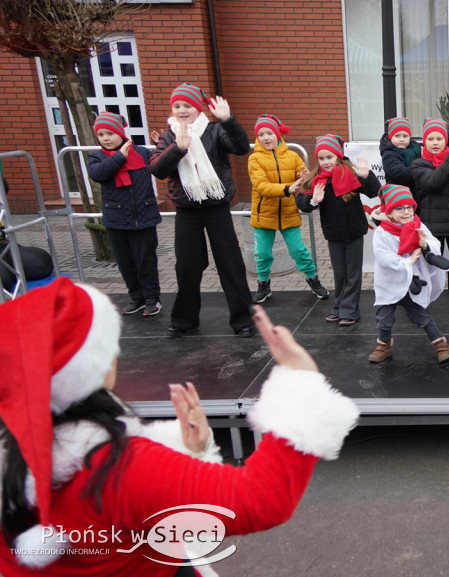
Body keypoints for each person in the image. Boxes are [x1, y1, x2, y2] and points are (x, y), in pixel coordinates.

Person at [0, 277, 359, 575]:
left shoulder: (18, 455)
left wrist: (193, 454)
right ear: (85, 367)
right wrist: (302, 382)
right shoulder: (120, 469)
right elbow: (261, 499)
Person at [149, 83, 255, 338]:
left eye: (187, 106)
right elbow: (157, 169)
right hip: (187, 211)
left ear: (198, 108)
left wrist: (228, 120)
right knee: (187, 266)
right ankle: (185, 320)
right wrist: (178, 148)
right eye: (177, 106)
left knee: (230, 264)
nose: (182, 110)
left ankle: (243, 320)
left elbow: (241, 148)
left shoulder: (215, 130)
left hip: (217, 208)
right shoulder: (168, 136)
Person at [294, 135, 380, 325]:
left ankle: (350, 310)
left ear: (338, 157)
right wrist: (314, 200)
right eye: (322, 158)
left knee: (353, 273)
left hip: (355, 232)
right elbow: (302, 203)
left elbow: (374, 191)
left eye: (329, 157)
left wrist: (367, 177)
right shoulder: (317, 179)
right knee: (340, 273)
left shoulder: (351, 173)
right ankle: (339, 306)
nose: (326, 162)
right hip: (333, 235)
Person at [248, 114, 329, 304]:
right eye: (261, 134)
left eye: (270, 133)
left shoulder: (293, 156)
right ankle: (263, 285)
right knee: (263, 253)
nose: (266, 137)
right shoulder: (255, 158)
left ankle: (313, 280)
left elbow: (306, 181)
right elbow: (260, 186)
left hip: (288, 211)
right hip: (263, 214)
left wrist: (305, 177)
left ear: (277, 134)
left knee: (298, 250)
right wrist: (287, 188)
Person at [87, 112, 162, 316]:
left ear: (121, 133)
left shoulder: (142, 153)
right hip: (116, 220)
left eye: (110, 133)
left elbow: (162, 165)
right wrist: (120, 157)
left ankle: (152, 299)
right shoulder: (97, 157)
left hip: (143, 218)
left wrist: (162, 145)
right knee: (125, 263)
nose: (105, 138)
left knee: (145, 261)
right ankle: (136, 298)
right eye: (101, 134)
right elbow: (98, 174)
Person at [368, 184, 449, 364]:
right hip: (390, 283)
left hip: (411, 282)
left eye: (409, 207)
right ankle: (384, 345)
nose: (406, 212)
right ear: (389, 212)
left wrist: (425, 245)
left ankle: (440, 343)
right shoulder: (383, 232)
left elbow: (433, 242)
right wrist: (407, 262)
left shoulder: (418, 225)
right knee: (384, 319)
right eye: (400, 208)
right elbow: (383, 257)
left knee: (421, 315)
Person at [410, 118, 449, 323]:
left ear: (446, 140)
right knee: (428, 270)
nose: (435, 142)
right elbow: (433, 182)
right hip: (432, 226)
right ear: (424, 142)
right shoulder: (419, 164)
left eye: (439, 138)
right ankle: (420, 306)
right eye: (430, 138)